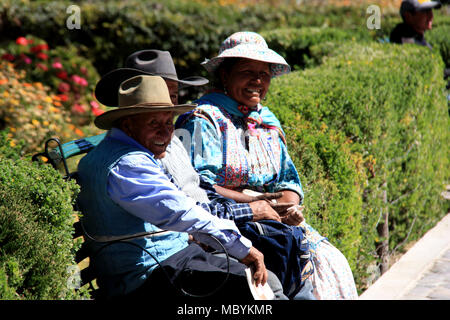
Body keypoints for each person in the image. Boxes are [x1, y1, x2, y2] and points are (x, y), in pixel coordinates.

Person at [93, 49, 315, 299]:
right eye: (154, 122)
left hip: (180, 250)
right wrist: (244, 242)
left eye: (169, 119)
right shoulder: (129, 162)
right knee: (258, 281)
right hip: (149, 273)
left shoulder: (150, 144)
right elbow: (180, 211)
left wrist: (255, 203)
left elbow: (199, 189)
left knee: (272, 274)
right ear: (128, 122)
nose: (166, 132)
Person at [175, 31, 359, 300]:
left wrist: (288, 209)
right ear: (224, 76)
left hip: (273, 221)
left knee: (330, 263)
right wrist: (253, 205)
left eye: (265, 73)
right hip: (225, 222)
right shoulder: (203, 120)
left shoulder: (267, 121)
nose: (258, 80)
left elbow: (287, 179)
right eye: (247, 71)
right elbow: (199, 186)